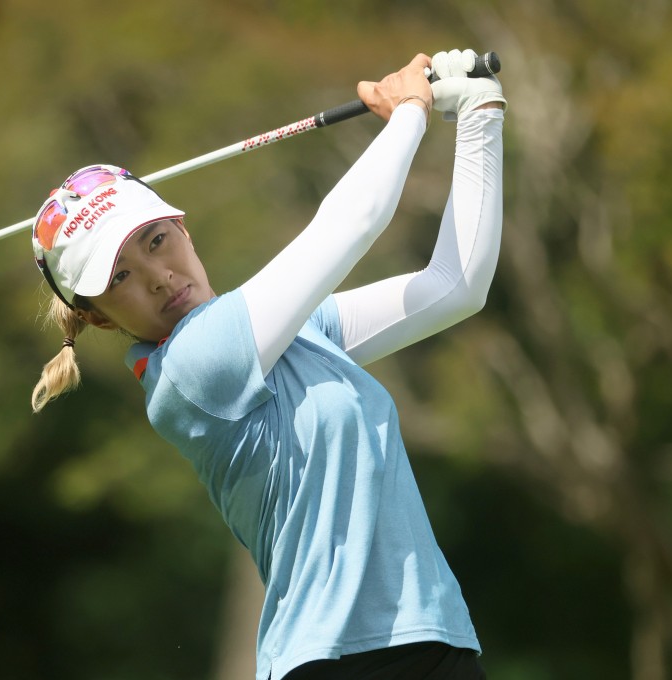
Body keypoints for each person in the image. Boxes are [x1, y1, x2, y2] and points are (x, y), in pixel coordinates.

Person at [30, 49, 505, 680]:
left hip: (433, 640)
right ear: (96, 318)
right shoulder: (192, 369)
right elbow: (350, 223)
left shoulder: (293, 333)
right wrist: (410, 110)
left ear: (182, 228)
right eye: (120, 277)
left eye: (155, 241)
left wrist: (479, 114)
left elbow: (455, 286)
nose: (158, 276)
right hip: (337, 661)